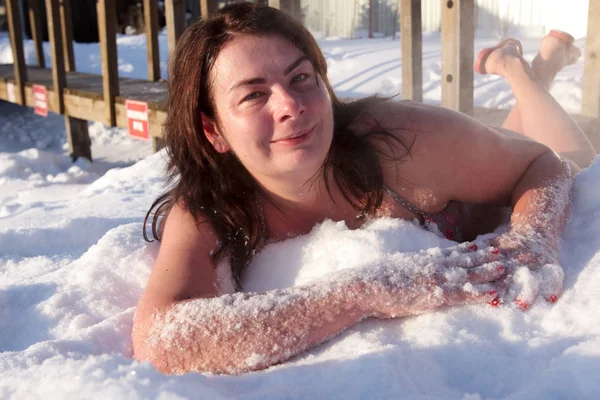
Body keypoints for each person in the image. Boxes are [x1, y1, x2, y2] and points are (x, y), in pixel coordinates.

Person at [132, 3, 596, 375]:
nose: (291, 105)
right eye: (254, 95)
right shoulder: (211, 207)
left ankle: (520, 71)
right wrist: (363, 291)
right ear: (213, 131)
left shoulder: (402, 141)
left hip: (489, 172)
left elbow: (543, 164)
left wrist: (532, 237)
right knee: (510, 141)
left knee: (578, 159)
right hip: (475, 161)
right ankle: (535, 71)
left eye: (300, 78)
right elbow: (162, 340)